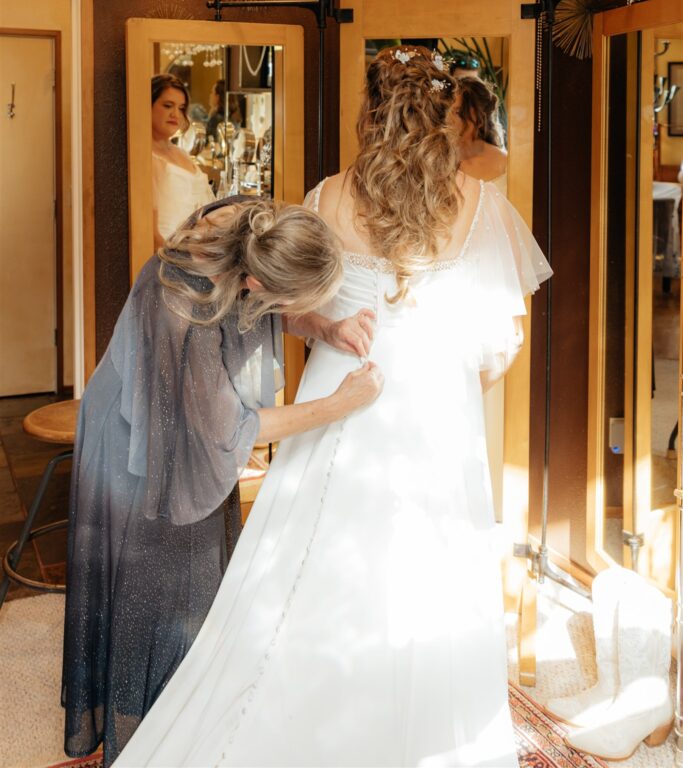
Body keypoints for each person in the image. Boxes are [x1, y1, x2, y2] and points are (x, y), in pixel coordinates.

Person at [115, 46, 551, 768]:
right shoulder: (482, 205)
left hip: (339, 380)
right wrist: (445, 386)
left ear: (369, 113)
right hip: (436, 403)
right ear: (442, 116)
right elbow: (503, 342)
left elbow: (288, 307)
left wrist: (335, 330)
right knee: (424, 569)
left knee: (307, 558)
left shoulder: (328, 196)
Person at [62, 196, 383, 767]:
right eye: (293, 302)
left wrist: (327, 328)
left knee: (196, 573)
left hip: (178, 408)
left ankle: (189, 704)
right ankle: (150, 732)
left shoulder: (258, 226)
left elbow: (269, 305)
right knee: (157, 590)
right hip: (133, 435)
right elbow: (230, 431)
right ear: (257, 283)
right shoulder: (186, 304)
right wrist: (338, 404)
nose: (294, 312)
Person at [452, 73, 509, 521]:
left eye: (454, 111)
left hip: (486, 268)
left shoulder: (494, 163)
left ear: (474, 117)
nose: (446, 119)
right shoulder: (442, 161)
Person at [151, 73, 215, 246]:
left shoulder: (181, 153)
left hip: (199, 251)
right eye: (167, 105)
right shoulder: (146, 157)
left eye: (181, 108)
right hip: (169, 253)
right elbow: (151, 232)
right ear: (148, 106)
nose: (175, 114)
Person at [453, 73, 507, 189]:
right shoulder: (437, 163)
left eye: (457, 112)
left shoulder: (505, 163)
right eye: (446, 111)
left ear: (480, 117)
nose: (448, 120)